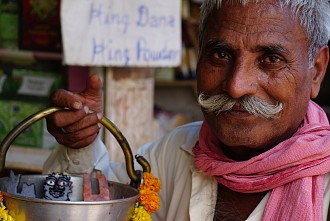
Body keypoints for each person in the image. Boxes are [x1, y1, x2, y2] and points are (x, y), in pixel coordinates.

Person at [44, 0, 330, 220]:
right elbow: (92, 208)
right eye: (220, 54)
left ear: (316, 71)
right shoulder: (175, 152)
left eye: (270, 59)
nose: (236, 86)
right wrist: (79, 141)